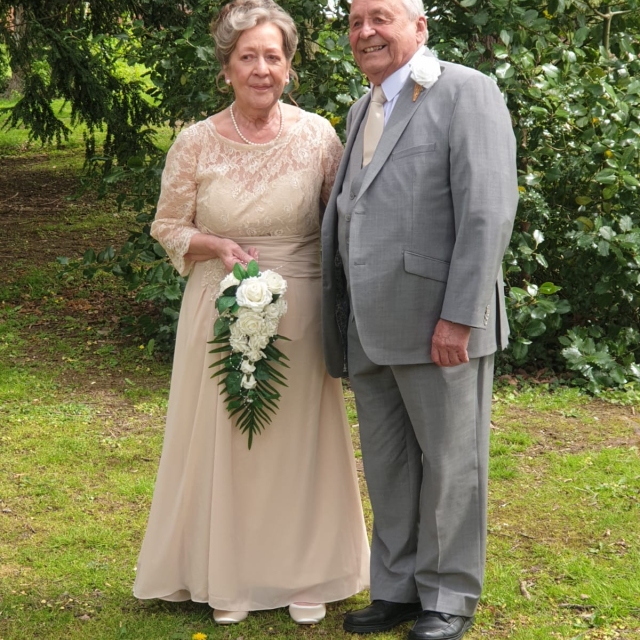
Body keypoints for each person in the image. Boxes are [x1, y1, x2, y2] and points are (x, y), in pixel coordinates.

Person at [134, 0, 369, 626]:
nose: (262, 68)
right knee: (231, 439)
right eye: (249, 57)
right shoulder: (194, 142)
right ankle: (226, 572)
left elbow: (344, 220)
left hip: (300, 309)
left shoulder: (319, 134)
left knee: (298, 444)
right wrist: (213, 246)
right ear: (227, 68)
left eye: (274, 56)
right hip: (219, 303)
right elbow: (166, 226)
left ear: (289, 67)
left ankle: (307, 572)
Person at [321, 0, 518, 638]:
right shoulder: (362, 108)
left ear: (419, 27)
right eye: (354, 22)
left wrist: (459, 317)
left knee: (453, 464)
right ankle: (399, 588)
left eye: (380, 16)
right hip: (370, 326)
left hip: (440, 326)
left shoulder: (467, 92)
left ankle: (448, 598)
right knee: (389, 465)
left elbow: (487, 210)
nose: (365, 32)